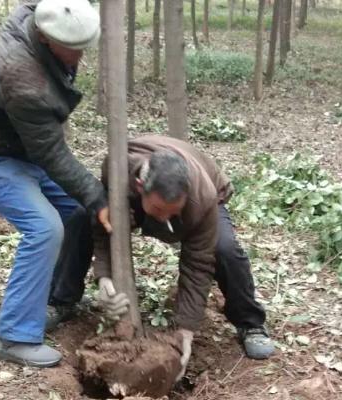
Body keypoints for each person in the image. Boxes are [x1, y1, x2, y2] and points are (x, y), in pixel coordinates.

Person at [0, 0, 111, 368]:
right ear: (44, 38)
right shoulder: (22, 79)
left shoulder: (40, 15)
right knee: (44, 228)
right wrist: (97, 196)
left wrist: (90, 203)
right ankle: (14, 337)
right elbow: (51, 154)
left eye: (82, 48)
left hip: (21, 150)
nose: (79, 57)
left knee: (77, 213)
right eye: (71, 49)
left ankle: (59, 300)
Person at [48, 135, 274, 377]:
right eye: (158, 210)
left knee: (224, 249)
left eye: (172, 212)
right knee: (83, 215)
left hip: (204, 188)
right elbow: (104, 226)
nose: (164, 219)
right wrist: (104, 277)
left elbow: (198, 264)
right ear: (138, 187)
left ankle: (250, 323)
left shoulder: (201, 199)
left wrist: (186, 330)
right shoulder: (117, 172)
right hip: (138, 182)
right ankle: (62, 299)